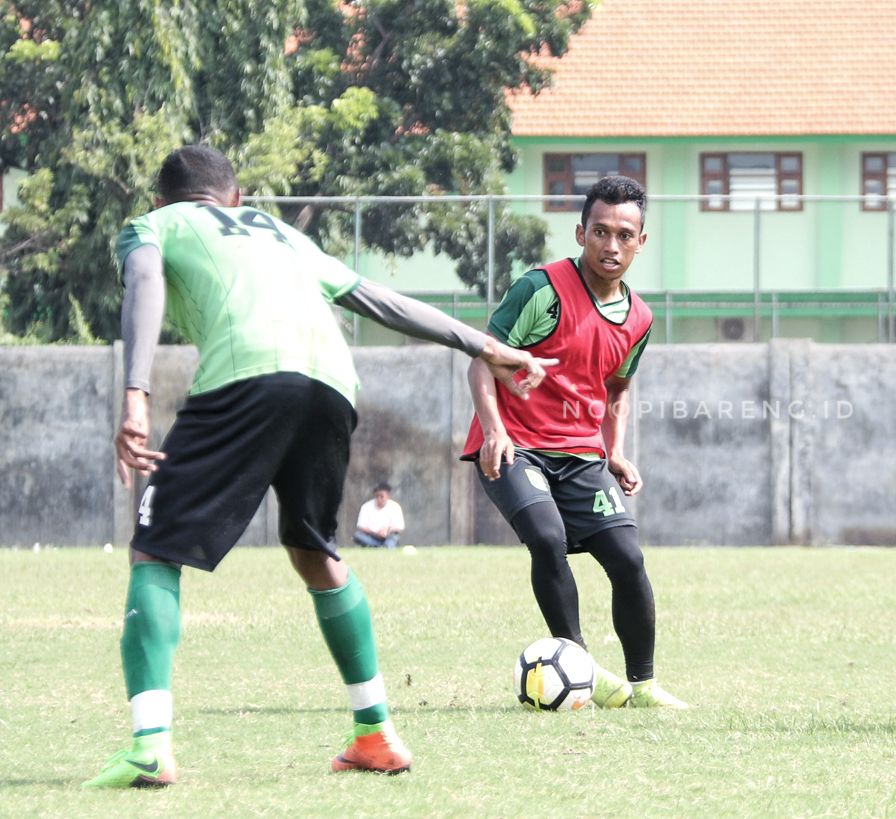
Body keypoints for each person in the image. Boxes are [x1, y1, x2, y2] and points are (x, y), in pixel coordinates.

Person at [86, 144, 555, 789]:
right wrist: (484, 344)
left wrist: (135, 393)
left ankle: (149, 745)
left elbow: (143, 282)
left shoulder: (153, 225)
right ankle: (376, 734)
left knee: (155, 550)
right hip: (333, 383)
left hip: (247, 377)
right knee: (314, 547)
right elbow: (380, 300)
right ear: (237, 199)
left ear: (162, 201)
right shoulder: (280, 233)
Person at [463, 175, 686, 709]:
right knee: (546, 536)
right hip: (515, 444)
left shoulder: (639, 318)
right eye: (601, 232)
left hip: (581, 453)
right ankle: (580, 667)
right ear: (581, 232)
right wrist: (494, 430)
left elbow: (617, 388)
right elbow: (481, 360)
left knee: (628, 559)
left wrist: (615, 451)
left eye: (625, 235)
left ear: (641, 242)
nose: (612, 246)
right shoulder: (540, 289)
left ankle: (644, 685)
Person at [353, 482, 405, 549]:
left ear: (388, 496)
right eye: (377, 496)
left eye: (382, 496)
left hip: (388, 536)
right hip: (372, 536)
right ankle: (381, 546)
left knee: (394, 538)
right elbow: (362, 526)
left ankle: (383, 546)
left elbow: (399, 527)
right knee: (357, 536)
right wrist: (375, 533)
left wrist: (387, 530)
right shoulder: (366, 506)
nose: (379, 499)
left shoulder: (395, 507)